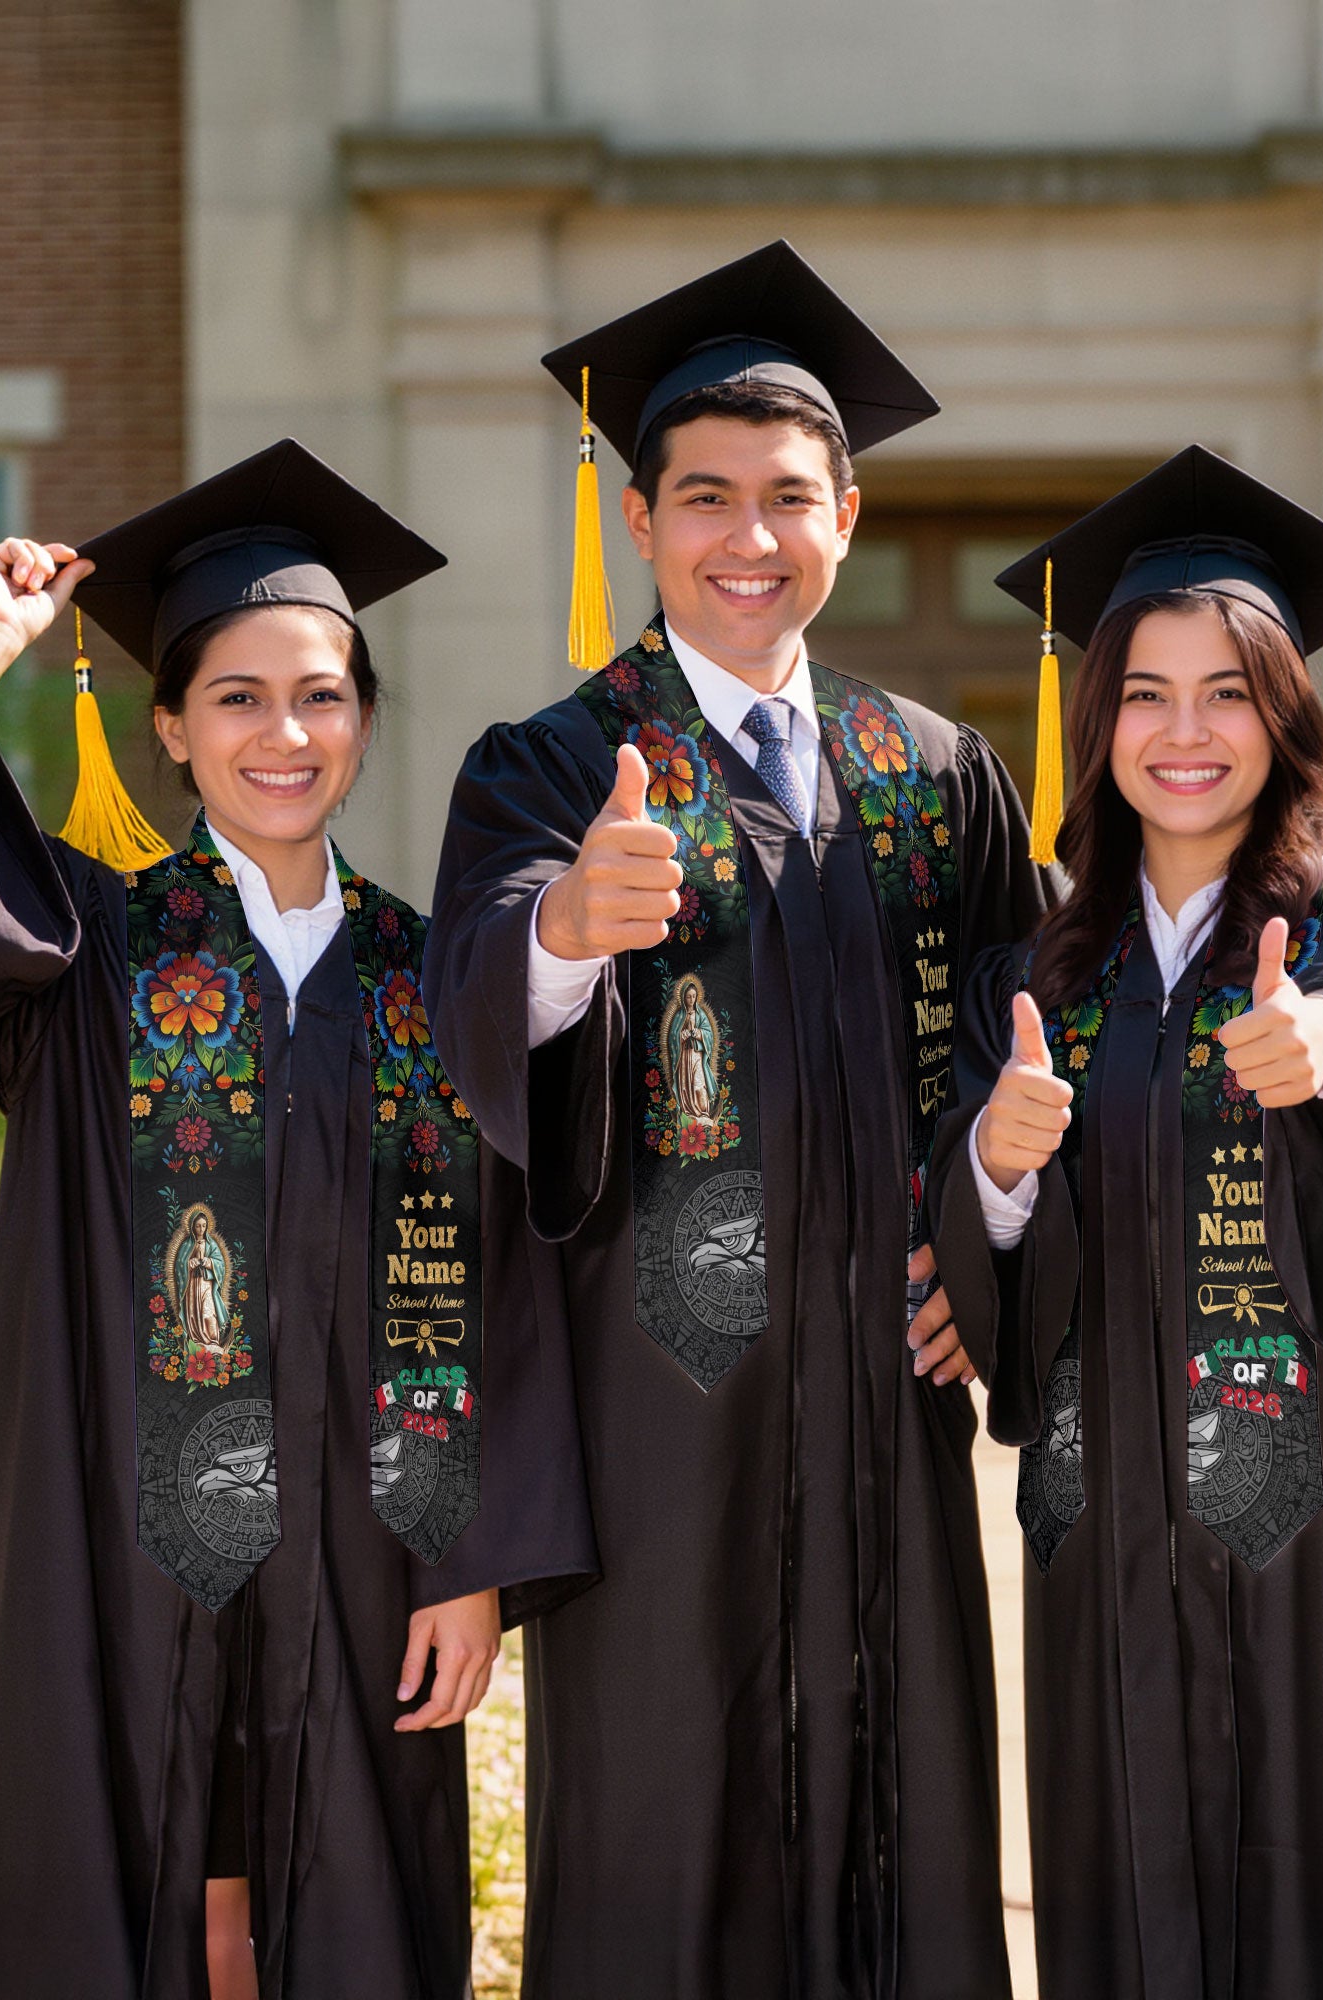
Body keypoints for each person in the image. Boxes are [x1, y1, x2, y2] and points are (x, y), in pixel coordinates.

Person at [425, 241, 1052, 1999]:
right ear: (641, 521)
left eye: (790, 498)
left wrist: (991, 1255)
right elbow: (473, 999)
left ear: (847, 514)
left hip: (884, 1407)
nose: (748, 538)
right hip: (663, 1419)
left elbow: (1039, 1047)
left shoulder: (935, 771)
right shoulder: (551, 765)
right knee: (665, 1836)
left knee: (905, 1819)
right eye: (706, 498)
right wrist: (560, 930)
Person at [0, 440, 592, 1999]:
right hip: (120, 1541)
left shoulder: (438, 977)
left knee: (351, 1901)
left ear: (363, 720)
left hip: (373, 1551)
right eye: (236, 696)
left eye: (321, 694)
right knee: (132, 1873)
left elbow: (507, 1283)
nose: (282, 733)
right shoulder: (86, 953)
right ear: (169, 726)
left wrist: (475, 1560)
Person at [928, 447, 1323, 1998]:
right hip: (1108, 1524)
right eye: (1146, 694)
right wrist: (994, 1156)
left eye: (1230, 692)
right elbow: (975, 1243)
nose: (1187, 733)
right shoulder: (1028, 981)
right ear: (1096, 721)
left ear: (1287, 717)